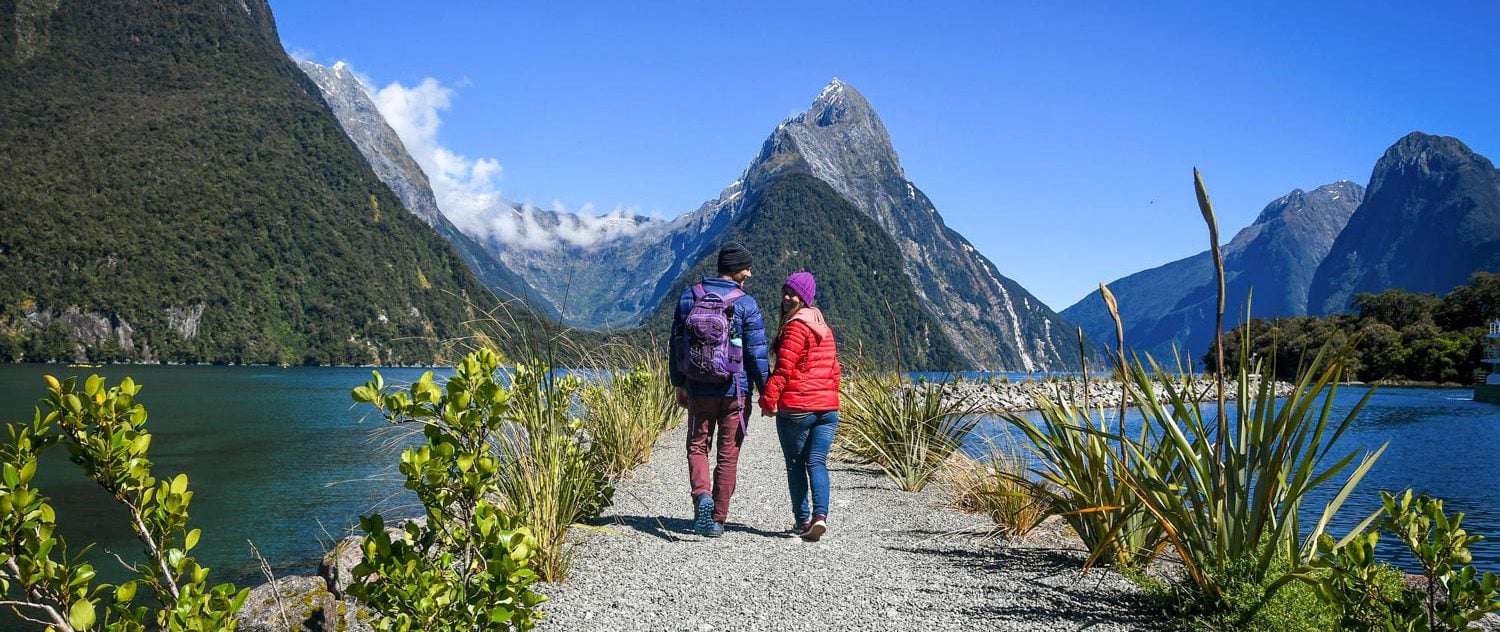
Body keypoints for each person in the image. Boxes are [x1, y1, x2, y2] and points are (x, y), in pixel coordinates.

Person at [670, 242, 770, 538]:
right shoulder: (746, 304)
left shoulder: (690, 296)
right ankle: (716, 519)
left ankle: (702, 496)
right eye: (746, 267)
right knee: (728, 454)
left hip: (699, 389)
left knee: (698, 446)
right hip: (734, 392)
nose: (750, 273)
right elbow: (756, 355)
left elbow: (675, 346)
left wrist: (678, 383)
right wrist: (767, 391)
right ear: (736, 269)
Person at [759, 271, 841, 542]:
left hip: (798, 409)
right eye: (785, 291)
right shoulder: (823, 327)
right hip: (828, 410)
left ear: (804, 298)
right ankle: (820, 517)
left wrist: (768, 400)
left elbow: (783, 369)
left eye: (793, 293)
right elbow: (835, 370)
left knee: (795, 465)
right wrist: (829, 396)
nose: (786, 297)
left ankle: (802, 520)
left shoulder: (795, 326)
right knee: (817, 462)